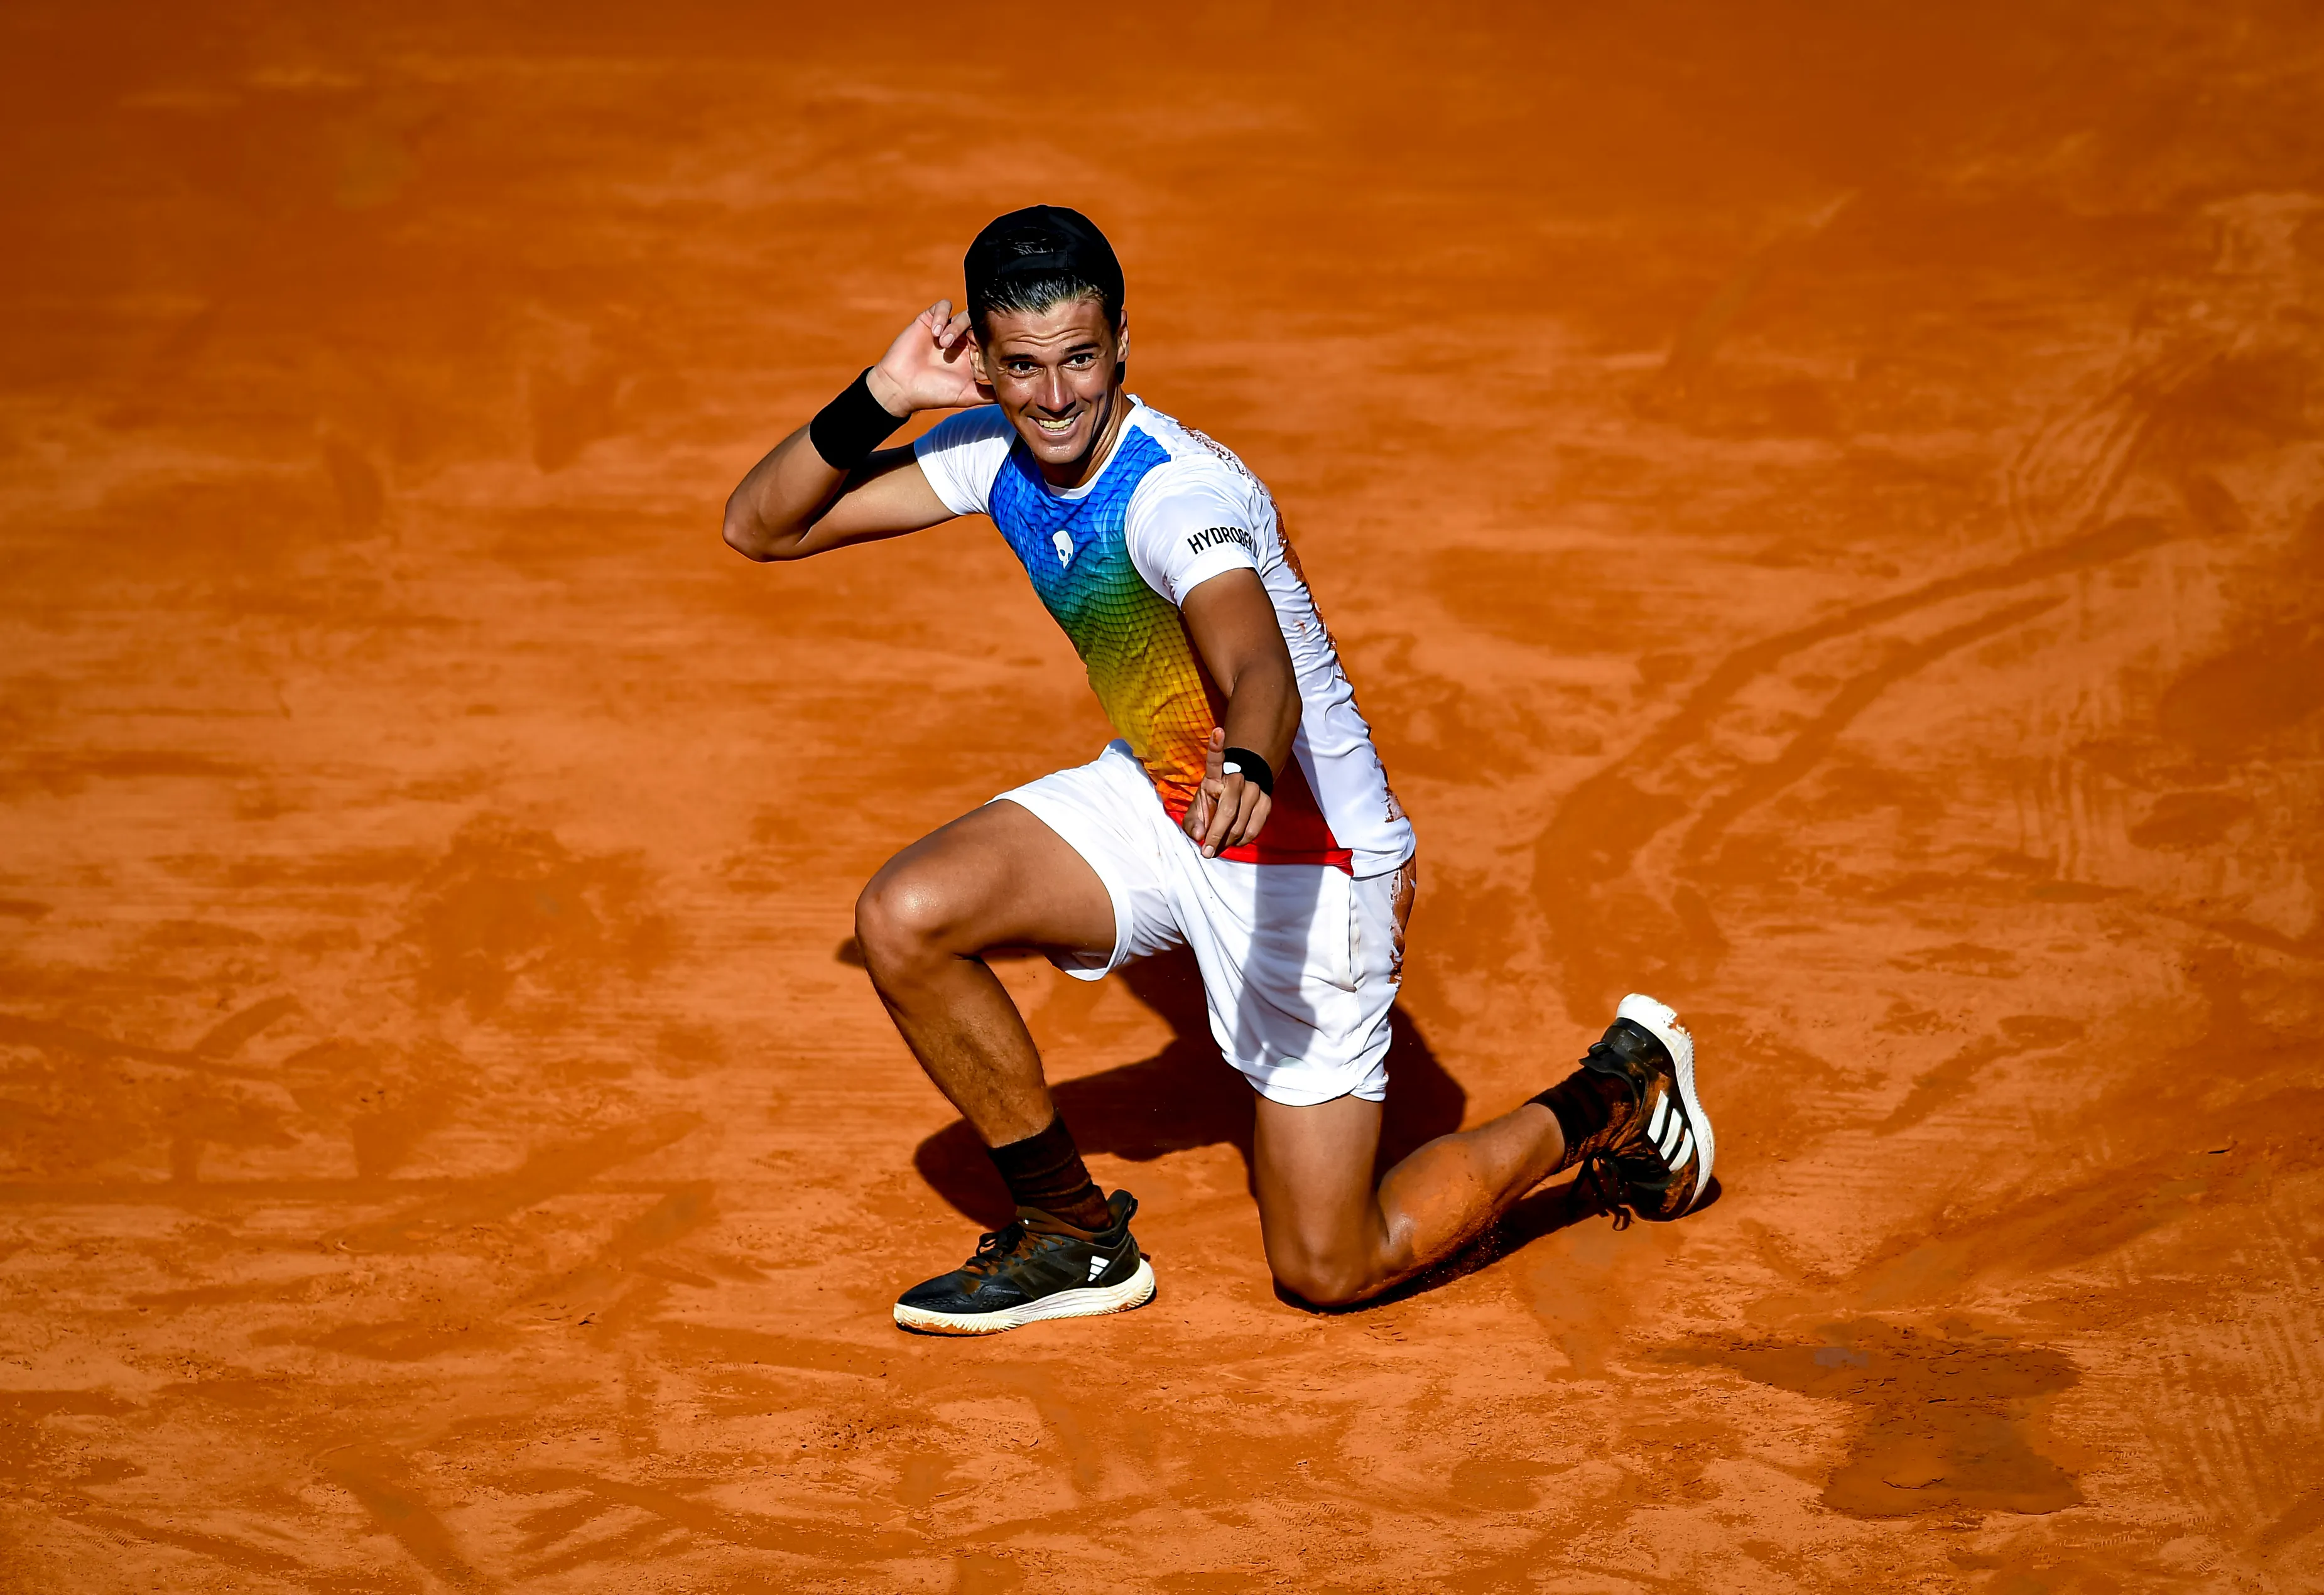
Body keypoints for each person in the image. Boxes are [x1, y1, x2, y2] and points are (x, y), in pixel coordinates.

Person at [722, 205, 1714, 1334]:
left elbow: (1254, 656)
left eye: (1081, 360)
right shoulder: (992, 447)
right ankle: (1074, 1237)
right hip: (1165, 801)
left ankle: (1617, 1094)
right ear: (986, 368)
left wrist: (1247, 750)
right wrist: (884, 395)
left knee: (1331, 1264)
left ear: (1123, 345)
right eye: (1025, 367)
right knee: (904, 915)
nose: (1055, 398)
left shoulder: (1173, 498)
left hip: (1305, 862)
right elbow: (762, 528)